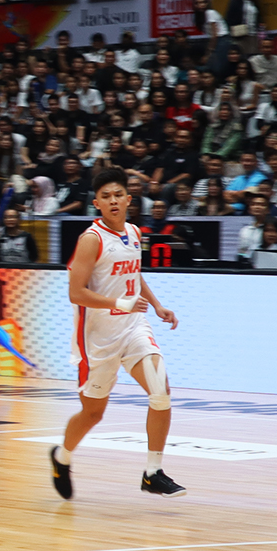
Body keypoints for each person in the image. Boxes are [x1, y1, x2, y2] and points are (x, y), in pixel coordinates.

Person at [51, 168, 185, 501]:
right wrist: (118, 302)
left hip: (133, 328)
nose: (113, 201)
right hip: (97, 338)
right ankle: (61, 457)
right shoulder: (91, 240)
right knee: (93, 413)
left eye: (118, 195)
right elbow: (75, 293)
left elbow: (134, 275)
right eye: (106, 196)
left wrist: (156, 305)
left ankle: (152, 473)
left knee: (161, 390)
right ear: (97, 203)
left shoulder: (135, 232)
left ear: (128, 199)